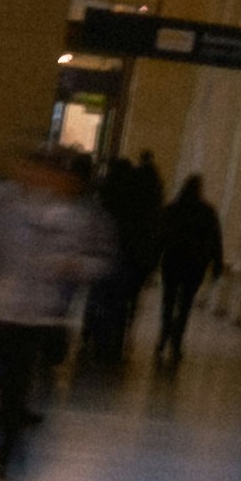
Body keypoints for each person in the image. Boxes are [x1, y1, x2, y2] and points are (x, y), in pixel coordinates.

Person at [0, 146, 105, 463]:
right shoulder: (7, 210)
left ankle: (5, 445)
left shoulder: (72, 217)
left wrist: (73, 266)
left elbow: (97, 261)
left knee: (16, 378)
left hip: (35, 313)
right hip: (1, 306)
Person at [82, 143, 162, 376]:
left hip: (113, 256)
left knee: (105, 299)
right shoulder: (148, 204)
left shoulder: (112, 196)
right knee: (122, 304)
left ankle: (98, 338)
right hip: (136, 259)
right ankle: (114, 343)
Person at [150, 165, 227, 367]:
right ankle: (177, 339)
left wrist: (152, 260)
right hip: (195, 264)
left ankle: (164, 336)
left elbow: (161, 236)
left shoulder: (172, 209)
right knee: (185, 304)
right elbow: (215, 239)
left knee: (168, 301)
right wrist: (217, 263)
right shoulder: (207, 212)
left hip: (173, 261)